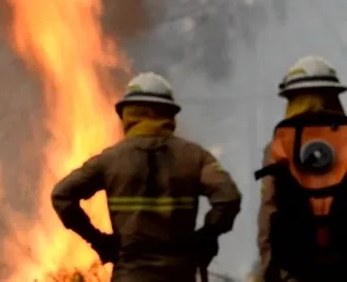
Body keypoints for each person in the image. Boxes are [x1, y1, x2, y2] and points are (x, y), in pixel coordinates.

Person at [51, 72, 242, 282]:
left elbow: (62, 195)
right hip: (179, 274)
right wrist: (206, 236)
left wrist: (99, 241)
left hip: (130, 274)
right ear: (169, 114)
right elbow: (228, 197)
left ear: (127, 114)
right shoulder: (195, 157)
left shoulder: (111, 159)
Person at [256, 55, 347, 281]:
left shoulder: (278, 146)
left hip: (296, 267)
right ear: (334, 96)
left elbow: (269, 210)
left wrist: (267, 269)